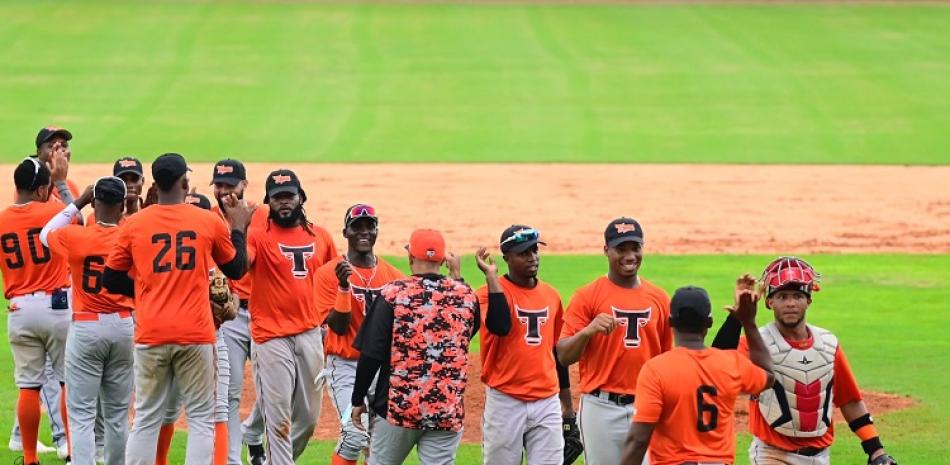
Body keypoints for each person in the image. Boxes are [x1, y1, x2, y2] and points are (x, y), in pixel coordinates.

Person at [103, 152, 253, 465]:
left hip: (150, 333)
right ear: (185, 182)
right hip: (196, 334)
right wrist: (238, 227)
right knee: (201, 417)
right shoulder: (206, 221)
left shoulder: (134, 224)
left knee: (145, 417)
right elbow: (237, 269)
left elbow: (111, 278)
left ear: (154, 184)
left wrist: (147, 290)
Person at [711, 257, 898, 465]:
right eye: (782, 296)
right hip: (772, 455)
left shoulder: (828, 344)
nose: (790, 303)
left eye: (797, 296)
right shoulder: (757, 342)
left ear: (809, 299)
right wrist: (738, 316)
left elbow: (849, 400)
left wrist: (876, 450)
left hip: (820, 456)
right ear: (769, 301)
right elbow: (716, 364)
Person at [350, 229, 477, 465]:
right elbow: (465, 334)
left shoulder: (393, 293)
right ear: (442, 260)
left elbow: (371, 354)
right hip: (446, 411)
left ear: (410, 259)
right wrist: (457, 278)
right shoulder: (467, 295)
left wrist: (358, 400)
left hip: (399, 409)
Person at [556, 217, 672, 465]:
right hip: (601, 407)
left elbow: (666, 360)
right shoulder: (587, 296)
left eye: (635, 248)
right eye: (621, 249)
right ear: (606, 250)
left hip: (647, 405)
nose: (630, 256)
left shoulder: (660, 298)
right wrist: (587, 332)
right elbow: (563, 355)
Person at [621, 281, 774, 465]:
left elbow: (638, 440)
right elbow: (768, 376)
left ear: (670, 322)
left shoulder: (656, 369)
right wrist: (748, 322)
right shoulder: (731, 363)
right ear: (709, 322)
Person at [39, 178, 136, 465]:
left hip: (86, 327)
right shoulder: (129, 236)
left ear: (94, 203)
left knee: (81, 414)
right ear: (121, 205)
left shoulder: (75, 237)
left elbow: (46, 234)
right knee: (118, 415)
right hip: (123, 325)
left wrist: (78, 202)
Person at [246, 169, 337, 464]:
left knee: (309, 419)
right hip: (270, 337)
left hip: (310, 333)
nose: (284, 202)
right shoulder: (257, 236)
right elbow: (239, 265)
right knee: (278, 418)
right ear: (268, 202)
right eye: (277, 198)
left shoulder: (320, 236)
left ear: (301, 198)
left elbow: (333, 283)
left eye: (289, 196)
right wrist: (237, 227)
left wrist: (328, 324)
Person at [474, 225, 578, 465]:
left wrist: (567, 405)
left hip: (546, 401)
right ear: (506, 258)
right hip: (505, 401)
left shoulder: (551, 296)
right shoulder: (487, 294)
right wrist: (491, 277)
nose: (532, 258)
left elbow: (557, 353)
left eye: (534, 251)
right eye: (524, 253)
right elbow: (500, 326)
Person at [314, 204, 404, 465]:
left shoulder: (394, 278)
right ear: (346, 232)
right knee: (354, 435)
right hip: (345, 365)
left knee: (379, 446)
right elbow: (339, 327)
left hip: (381, 367)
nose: (364, 232)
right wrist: (343, 287)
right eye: (357, 227)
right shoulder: (327, 274)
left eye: (370, 226)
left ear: (376, 231)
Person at [154, 191, 236, 465]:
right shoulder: (213, 256)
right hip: (201, 339)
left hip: (171, 337)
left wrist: (230, 304)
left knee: (167, 411)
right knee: (207, 412)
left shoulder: (164, 252)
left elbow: (232, 300)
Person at [0, 158, 73, 465]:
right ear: (42, 188)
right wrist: (60, 182)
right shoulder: (54, 210)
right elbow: (80, 217)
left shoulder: (1, 220)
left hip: (20, 309)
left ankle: (29, 458)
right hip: (57, 308)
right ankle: (72, 453)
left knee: (29, 386)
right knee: (68, 382)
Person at [209, 159, 269, 465]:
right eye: (218, 186)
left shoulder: (263, 216)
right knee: (229, 393)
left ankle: (253, 432)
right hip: (227, 316)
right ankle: (231, 460)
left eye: (229, 185)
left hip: (264, 314)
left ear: (244, 185)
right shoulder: (206, 218)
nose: (223, 191)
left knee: (274, 391)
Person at [32, 126, 80, 204]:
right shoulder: (29, 184)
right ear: (39, 152)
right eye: (51, 146)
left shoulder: (71, 187)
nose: (59, 150)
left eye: (64, 145)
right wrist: (59, 182)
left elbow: (76, 216)